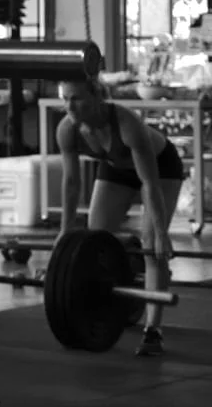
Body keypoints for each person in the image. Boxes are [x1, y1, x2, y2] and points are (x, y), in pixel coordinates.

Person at [56, 77, 182, 356]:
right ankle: (128, 269)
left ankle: (153, 331)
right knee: (94, 239)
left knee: (151, 246)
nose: (69, 106)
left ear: (97, 97)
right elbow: (71, 183)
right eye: (65, 99)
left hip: (160, 167)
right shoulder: (67, 129)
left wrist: (161, 234)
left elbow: (149, 183)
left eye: (76, 98)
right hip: (116, 168)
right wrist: (65, 232)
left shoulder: (127, 124)